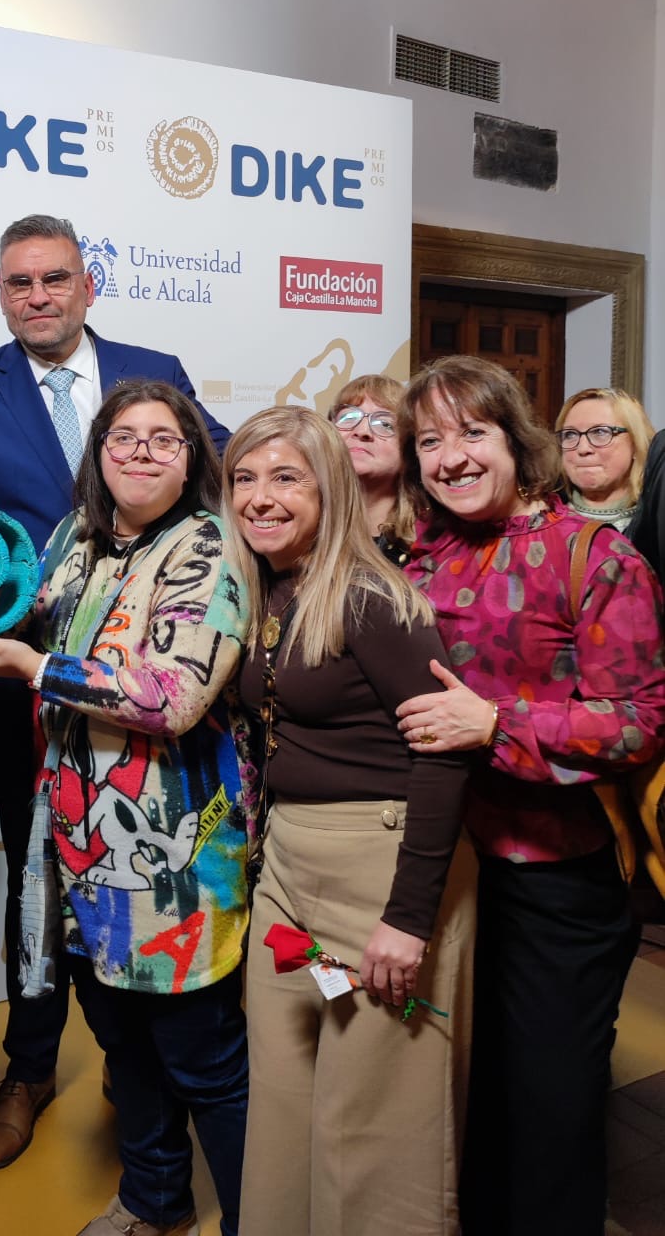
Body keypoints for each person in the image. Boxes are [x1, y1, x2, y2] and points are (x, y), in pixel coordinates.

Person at [0, 213, 231, 1170]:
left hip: (157, 685)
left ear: (87, 285)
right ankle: (30, 1065)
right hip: (27, 682)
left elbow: (225, 470)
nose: (38, 296)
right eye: (19, 282)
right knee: (39, 874)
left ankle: (145, 1065)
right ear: (0, 293)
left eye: (54, 278)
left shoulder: (153, 369)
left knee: (153, 875)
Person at [0, 379, 251, 1236]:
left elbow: (173, 696)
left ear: (191, 460)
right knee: (124, 1048)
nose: (141, 452)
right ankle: (156, 1204)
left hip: (171, 869)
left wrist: (34, 669)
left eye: (164, 438)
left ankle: (253, 1216)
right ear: (97, 453)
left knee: (203, 1063)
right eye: (123, 436)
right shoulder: (71, 537)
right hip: (72, 849)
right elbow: (30, 621)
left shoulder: (209, 547)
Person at [395, 355, 665, 1236]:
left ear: (516, 440)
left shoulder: (595, 556)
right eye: (429, 440)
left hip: (557, 878)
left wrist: (494, 724)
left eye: (472, 432)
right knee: (469, 1095)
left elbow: (637, 722)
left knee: (552, 1108)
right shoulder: (418, 554)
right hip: (446, 873)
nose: (451, 457)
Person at [226, 406, 474, 1236]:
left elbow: (443, 755)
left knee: (372, 1123)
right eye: (243, 479)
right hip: (289, 875)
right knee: (285, 1097)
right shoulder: (268, 587)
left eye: (284, 478)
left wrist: (408, 920)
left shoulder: (375, 601)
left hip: (379, 872)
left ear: (329, 488)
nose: (259, 498)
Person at [328, 372, 415, 563]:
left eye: (385, 424)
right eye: (349, 417)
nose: (362, 431)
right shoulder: (301, 532)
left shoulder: (430, 546)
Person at [554, 385, 654, 534]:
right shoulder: (540, 520)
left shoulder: (656, 525)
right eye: (570, 434)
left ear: (635, 444)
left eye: (600, 432)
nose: (583, 449)